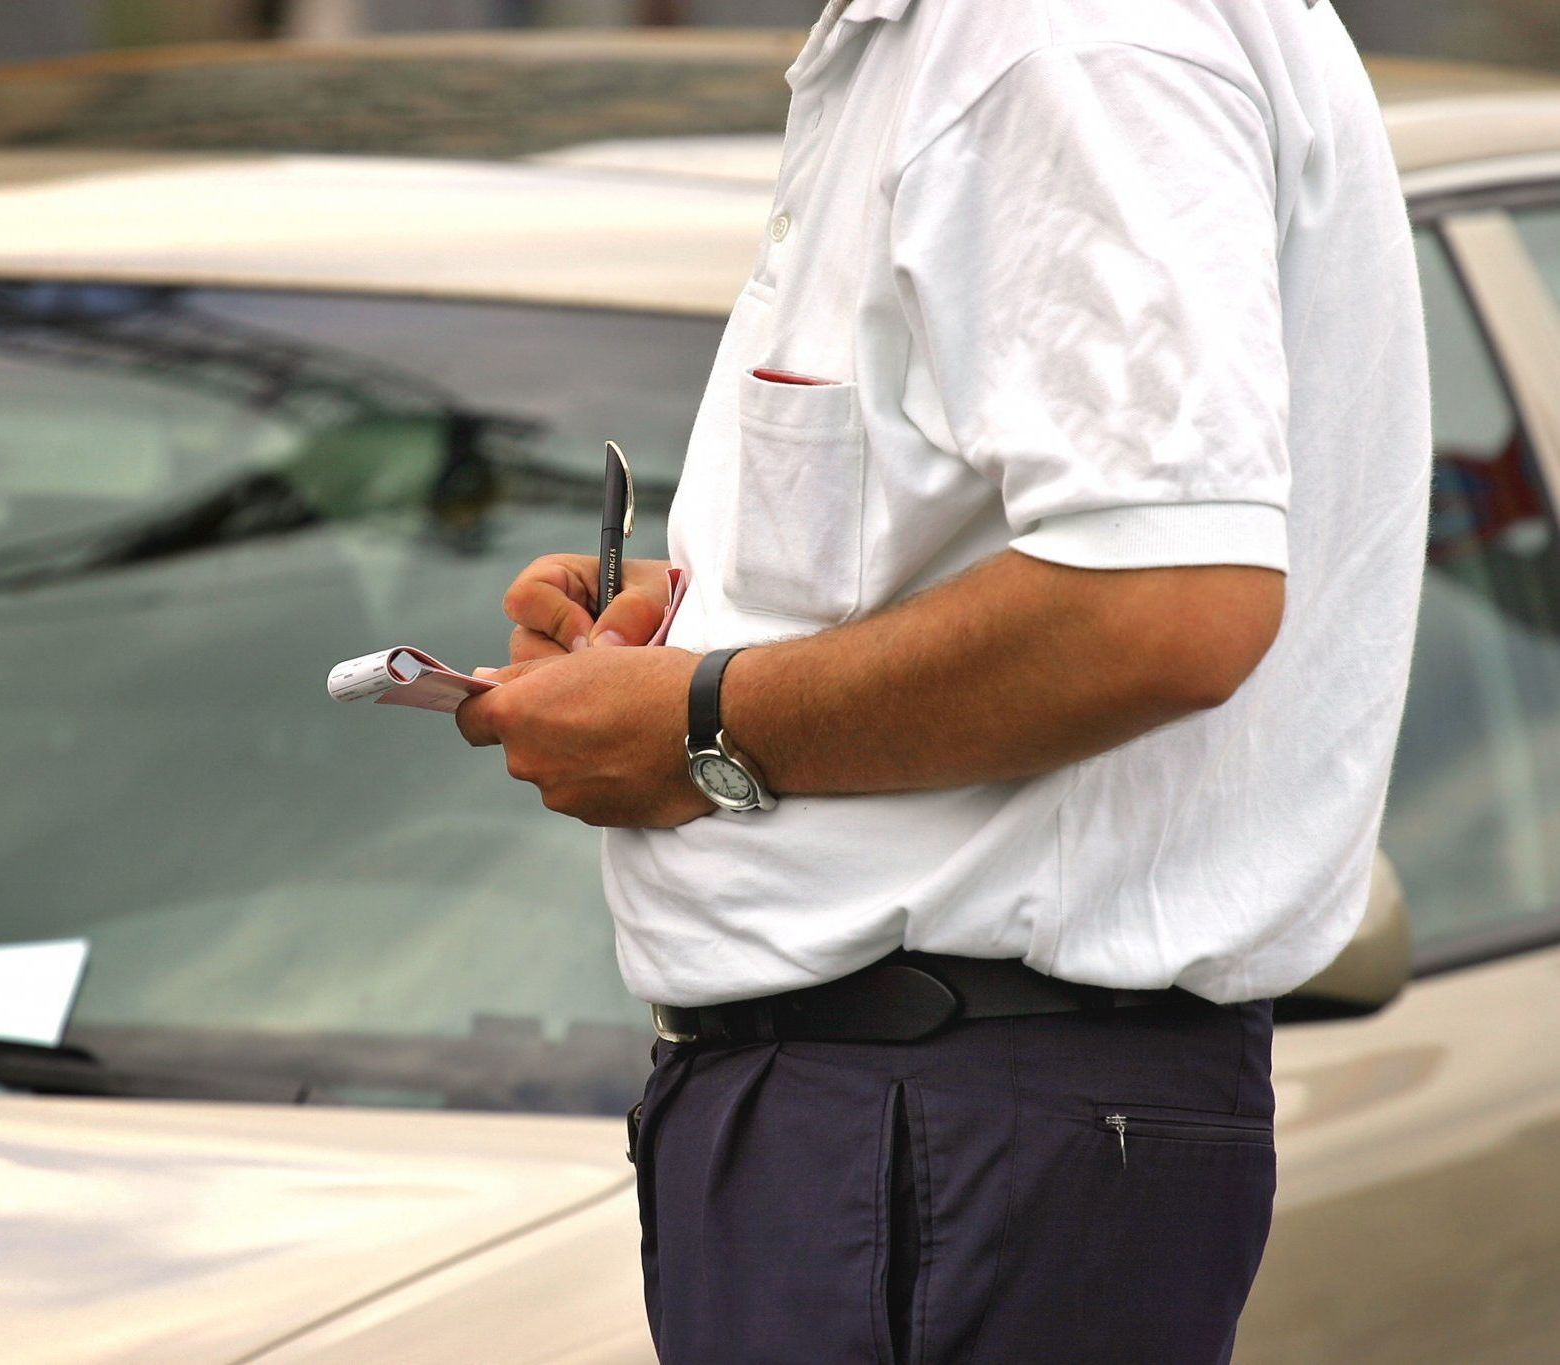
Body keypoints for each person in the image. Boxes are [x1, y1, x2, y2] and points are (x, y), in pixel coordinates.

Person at [455, 0, 1430, 1359]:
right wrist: (704, 631)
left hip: (935, 1127)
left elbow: (1166, 608)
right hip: (926, 1122)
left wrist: (695, 723)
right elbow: (1029, 540)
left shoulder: (1063, 37)